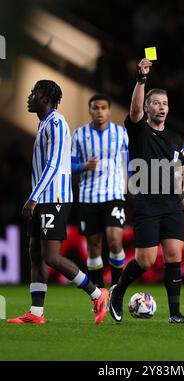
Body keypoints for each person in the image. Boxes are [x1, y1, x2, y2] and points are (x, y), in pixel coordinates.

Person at [7, 80, 109, 324]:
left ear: (46, 98)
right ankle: (36, 313)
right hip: (44, 198)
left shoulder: (56, 122)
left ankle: (97, 293)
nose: (30, 96)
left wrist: (33, 197)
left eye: (35, 93)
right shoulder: (44, 124)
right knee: (35, 253)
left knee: (51, 256)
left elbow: (53, 164)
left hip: (55, 198)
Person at [109, 58, 184, 324]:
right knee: (145, 261)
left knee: (173, 257)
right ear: (146, 107)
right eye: (156, 103)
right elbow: (133, 112)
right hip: (146, 201)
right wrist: (141, 79)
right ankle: (118, 292)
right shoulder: (139, 130)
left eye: (165, 104)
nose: (161, 108)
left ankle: (175, 313)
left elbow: (182, 172)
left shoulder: (175, 139)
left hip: (172, 204)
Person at [71, 94, 128, 288]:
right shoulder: (79, 134)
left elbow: (128, 162)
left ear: (109, 111)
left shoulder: (121, 133)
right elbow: (68, 164)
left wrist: (131, 186)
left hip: (114, 194)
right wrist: (83, 166)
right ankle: (98, 294)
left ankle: (116, 290)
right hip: (88, 196)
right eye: (95, 108)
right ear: (90, 111)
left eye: (103, 108)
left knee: (115, 241)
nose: (99, 112)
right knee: (94, 247)